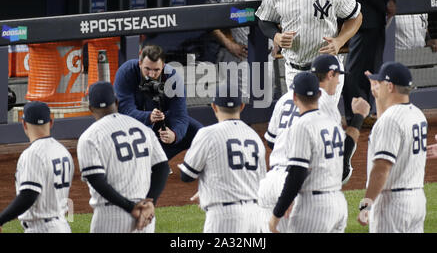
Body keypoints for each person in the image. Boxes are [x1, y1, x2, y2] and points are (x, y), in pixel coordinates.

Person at [259, 55, 369, 232]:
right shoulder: (324, 103)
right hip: (299, 182)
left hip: (272, 180)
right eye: (338, 76)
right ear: (330, 75)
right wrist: (358, 118)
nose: (339, 81)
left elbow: (272, 141)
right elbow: (339, 152)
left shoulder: (284, 99)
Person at [256, 0, 362, 105]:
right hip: (294, 69)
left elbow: (356, 16)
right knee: (300, 119)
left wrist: (340, 40)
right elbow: (264, 20)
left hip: (327, 70)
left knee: (324, 118)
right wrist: (276, 36)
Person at [77, 81, 170, 233]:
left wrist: (131, 208)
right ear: (116, 102)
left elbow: (97, 181)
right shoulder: (142, 128)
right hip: (145, 217)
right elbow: (162, 167)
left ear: (90, 109)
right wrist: (150, 202)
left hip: (110, 217)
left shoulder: (89, 137)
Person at [178, 84, 267, 233]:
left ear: (214, 106)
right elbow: (260, 180)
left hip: (224, 217)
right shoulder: (255, 137)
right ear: (242, 106)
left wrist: (208, 189)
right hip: (255, 216)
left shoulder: (207, 134)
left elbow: (187, 176)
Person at [268, 72, 348, 233]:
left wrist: (277, 213)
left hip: (313, 205)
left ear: (294, 96)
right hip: (338, 202)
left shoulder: (301, 126)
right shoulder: (335, 127)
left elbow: (297, 173)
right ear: (319, 94)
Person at [357, 62, 428, 232]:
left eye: (379, 82)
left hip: (392, 204)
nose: (376, 85)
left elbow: (381, 168)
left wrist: (366, 204)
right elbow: (387, 127)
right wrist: (377, 97)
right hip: (417, 199)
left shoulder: (390, 120)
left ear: (389, 86)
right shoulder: (417, 114)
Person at [335, 0, 397, 125]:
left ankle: (366, 111)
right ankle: (354, 115)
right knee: (356, 68)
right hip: (361, 16)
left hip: (374, 15)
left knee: (371, 67)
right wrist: (382, 4)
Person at [114, 44, 203, 160]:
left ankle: (159, 161)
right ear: (140, 63)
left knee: (199, 134)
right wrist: (148, 117)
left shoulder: (173, 78)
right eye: (147, 69)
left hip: (161, 119)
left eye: (156, 70)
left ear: (163, 66)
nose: (151, 74)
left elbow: (180, 115)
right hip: (132, 124)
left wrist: (175, 135)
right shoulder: (126, 72)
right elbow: (125, 111)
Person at [0, 101, 74, 233]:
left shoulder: (32, 154)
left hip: (42, 228)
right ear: (51, 123)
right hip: (62, 225)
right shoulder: (63, 151)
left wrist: (2, 219)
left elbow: (28, 195)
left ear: (24, 124)